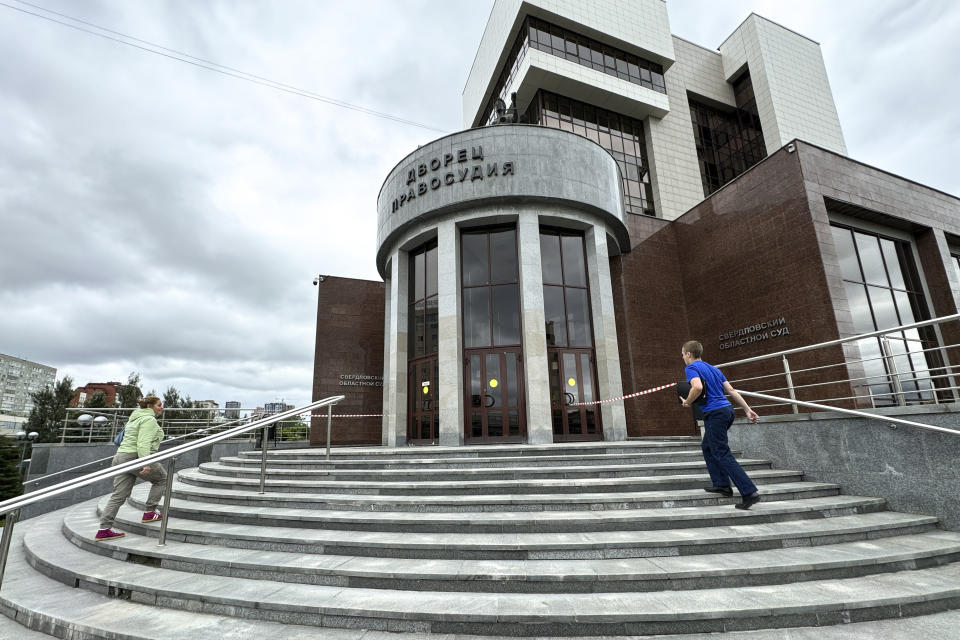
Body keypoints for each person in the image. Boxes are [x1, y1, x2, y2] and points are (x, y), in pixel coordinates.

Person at [680, 340, 762, 510]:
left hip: (715, 413)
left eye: (682, 355)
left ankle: (749, 492)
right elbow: (731, 390)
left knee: (721, 452)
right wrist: (747, 409)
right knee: (708, 447)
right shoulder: (714, 369)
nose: (683, 358)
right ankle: (722, 484)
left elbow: (697, 387)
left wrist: (687, 402)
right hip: (727, 410)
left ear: (688, 354)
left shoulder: (691, 368)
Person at [94, 395, 167, 540]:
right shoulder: (149, 419)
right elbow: (143, 444)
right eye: (159, 405)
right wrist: (145, 463)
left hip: (121, 457)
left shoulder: (134, 418)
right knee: (162, 479)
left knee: (118, 495)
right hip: (135, 457)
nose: (162, 407)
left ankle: (104, 529)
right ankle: (150, 512)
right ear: (149, 406)